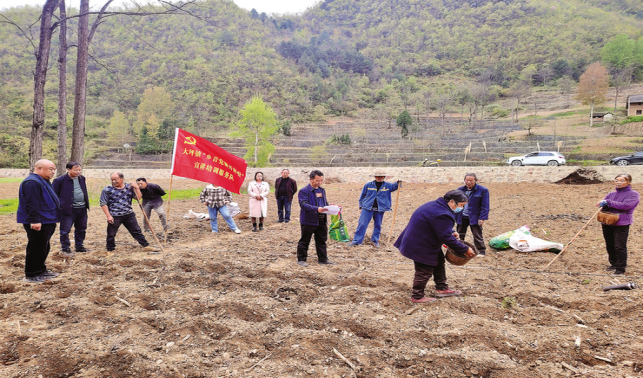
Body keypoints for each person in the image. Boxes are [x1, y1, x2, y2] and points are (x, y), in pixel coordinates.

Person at [394, 190, 475, 303]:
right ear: (452, 202)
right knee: (424, 270)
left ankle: (441, 288)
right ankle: (417, 296)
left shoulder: (436, 205)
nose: (461, 208)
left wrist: (450, 231)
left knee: (438, 261)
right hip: (420, 244)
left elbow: (436, 224)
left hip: (422, 238)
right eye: (461, 205)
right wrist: (465, 249)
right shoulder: (443, 213)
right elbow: (446, 238)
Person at [17, 159, 61, 283]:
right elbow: (32, 203)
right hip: (39, 220)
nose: (53, 171)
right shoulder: (32, 182)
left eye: (54, 169)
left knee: (43, 246)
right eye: (50, 169)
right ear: (39, 168)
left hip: (47, 219)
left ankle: (41, 270)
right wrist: (35, 220)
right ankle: (31, 274)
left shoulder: (43, 181)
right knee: (36, 247)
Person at [100, 172, 157, 252]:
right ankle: (110, 249)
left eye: (115, 179)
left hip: (128, 214)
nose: (113, 181)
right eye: (112, 180)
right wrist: (108, 215)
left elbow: (138, 198)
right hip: (114, 215)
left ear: (121, 179)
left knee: (136, 231)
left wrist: (137, 188)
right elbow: (103, 203)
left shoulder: (129, 187)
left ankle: (145, 245)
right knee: (111, 233)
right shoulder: (107, 189)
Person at [597, 174, 640, 275]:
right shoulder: (611, 194)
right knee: (610, 244)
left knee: (620, 246)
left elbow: (625, 206)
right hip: (607, 221)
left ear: (629, 182)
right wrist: (603, 206)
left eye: (622, 181)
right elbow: (605, 207)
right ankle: (613, 264)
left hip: (622, 223)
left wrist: (608, 202)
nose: (618, 182)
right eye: (617, 180)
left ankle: (620, 268)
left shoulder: (633, 194)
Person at [350, 172, 400, 248]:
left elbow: (395, 187)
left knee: (378, 225)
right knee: (362, 224)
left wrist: (398, 182)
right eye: (377, 176)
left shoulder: (387, 186)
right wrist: (360, 207)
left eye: (381, 176)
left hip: (380, 208)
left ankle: (375, 241)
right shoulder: (368, 185)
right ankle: (356, 241)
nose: (379, 178)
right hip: (367, 207)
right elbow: (362, 196)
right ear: (375, 177)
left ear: (384, 177)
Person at [296, 170, 335, 267]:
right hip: (308, 220)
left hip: (321, 220)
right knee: (305, 240)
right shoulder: (304, 191)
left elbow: (324, 203)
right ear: (311, 179)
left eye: (321, 180)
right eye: (317, 180)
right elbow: (303, 205)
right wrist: (317, 209)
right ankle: (301, 259)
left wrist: (332, 208)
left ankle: (323, 259)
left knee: (321, 240)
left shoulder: (322, 190)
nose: (319, 183)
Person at [53, 161, 90, 257]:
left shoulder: (82, 178)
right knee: (65, 230)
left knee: (81, 228)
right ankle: (65, 248)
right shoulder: (59, 181)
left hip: (82, 208)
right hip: (68, 210)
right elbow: (54, 196)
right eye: (76, 170)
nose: (78, 172)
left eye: (79, 170)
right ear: (68, 170)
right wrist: (59, 207)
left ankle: (79, 246)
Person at [455, 173, 490, 257]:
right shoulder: (459, 190)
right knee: (460, 234)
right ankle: (459, 250)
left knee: (477, 234)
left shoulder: (483, 190)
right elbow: (455, 204)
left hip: (475, 216)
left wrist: (482, 218)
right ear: (464, 180)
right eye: (467, 180)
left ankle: (481, 251)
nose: (469, 182)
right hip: (462, 216)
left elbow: (485, 205)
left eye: (471, 180)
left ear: (476, 180)